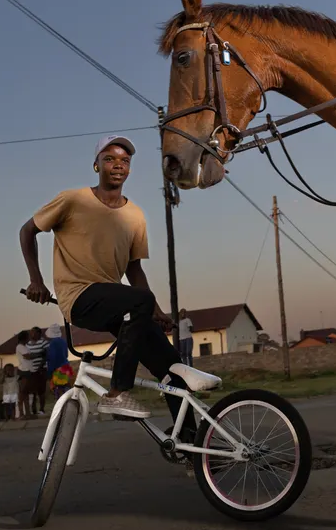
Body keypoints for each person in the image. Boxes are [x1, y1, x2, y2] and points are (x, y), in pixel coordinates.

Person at [19, 135, 218, 436]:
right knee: (139, 301)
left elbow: (133, 269)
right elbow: (27, 231)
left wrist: (157, 310)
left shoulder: (134, 216)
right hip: (79, 297)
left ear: (130, 169)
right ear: (96, 164)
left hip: (118, 304)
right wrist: (36, 279)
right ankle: (117, 393)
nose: (117, 165)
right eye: (110, 159)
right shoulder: (72, 200)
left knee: (172, 365)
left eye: (124, 161)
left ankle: (188, 442)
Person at [45, 324, 72, 401]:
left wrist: (50, 372)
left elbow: (52, 358)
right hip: (66, 367)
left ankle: (61, 406)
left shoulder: (52, 343)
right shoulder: (63, 341)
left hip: (57, 369)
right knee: (66, 387)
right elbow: (66, 354)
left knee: (58, 389)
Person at [27, 326, 49, 415]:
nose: (32, 334)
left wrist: (40, 366)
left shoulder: (44, 343)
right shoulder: (27, 344)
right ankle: (33, 409)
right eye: (31, 332)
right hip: (31, 370)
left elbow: (46, 355)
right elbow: (28, 356)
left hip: (41, 369)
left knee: (41, 390)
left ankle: (41, 409)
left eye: (34, 332)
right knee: (32, 391)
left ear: (39, 333)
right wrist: (39, 354)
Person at [14, 330, 33, 419]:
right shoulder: (20, 347)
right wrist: (37, 354)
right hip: (24, 371)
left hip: (28, 370)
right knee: (22, 393)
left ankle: (27, 413)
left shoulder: (25, 347)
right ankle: (21, 413)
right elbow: (27, 356)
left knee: (26, 393)